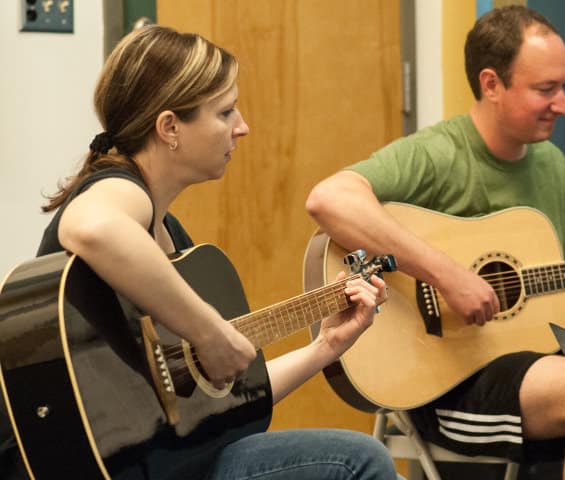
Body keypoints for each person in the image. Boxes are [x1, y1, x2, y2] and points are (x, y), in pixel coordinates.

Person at [0, 24, 402, 480]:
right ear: (170, 127)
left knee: (356, 458)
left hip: (155, 462)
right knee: (357, 462)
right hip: (64, 465)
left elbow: (224, 406)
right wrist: (210, 332)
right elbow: (90, 227)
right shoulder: (118, 188)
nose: (242, 127)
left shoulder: (174, 240)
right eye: (226, 112)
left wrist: (325, 347)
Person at [306, 5, 565, 480]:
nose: (564, 104)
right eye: (545, 89)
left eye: (564, 86)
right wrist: (448, 276)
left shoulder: (551, 164)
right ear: (491, 84)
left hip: (541, 355)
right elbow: (330, 201)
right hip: (450, 380)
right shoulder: (437, 154)